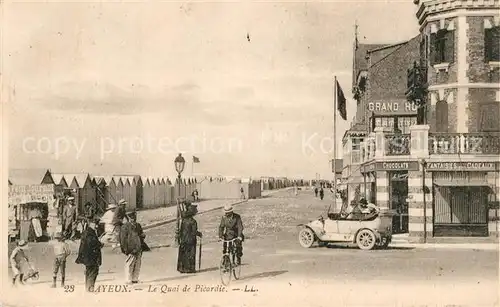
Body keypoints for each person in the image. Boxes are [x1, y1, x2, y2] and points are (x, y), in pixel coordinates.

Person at [76, 217, 102, 292]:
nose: (96, 226)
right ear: (91, 224)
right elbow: (92, 243)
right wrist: (99, 244)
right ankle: (90, 288)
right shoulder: (90, 232)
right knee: (93, 272)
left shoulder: (86, 232)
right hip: (92, 256)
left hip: (87, 256)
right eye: (95, 224)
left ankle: (88, 288)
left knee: (88, 272)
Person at [119, 211, 145, 284]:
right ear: (129, 218)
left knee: (138, 263)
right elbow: (122, 239)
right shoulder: (125, 227)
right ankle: (128, 279)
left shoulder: (138, 225)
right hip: (130, 248)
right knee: (130, 264)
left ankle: (135, 279)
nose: (133, 219)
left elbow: (141, 234)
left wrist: (142, 236)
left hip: (138, 247)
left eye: (134, 218)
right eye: (131, 218)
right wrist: (125, 249)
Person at [177, 202, 202, 273]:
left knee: (183, 254)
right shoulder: (193, 221)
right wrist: (199, 234)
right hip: (191, 240)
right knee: (190, 254)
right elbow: (194, 232)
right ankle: (190, 269)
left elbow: (181, 230)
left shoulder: (184, 221)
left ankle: (182, 268)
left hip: (184, 239)